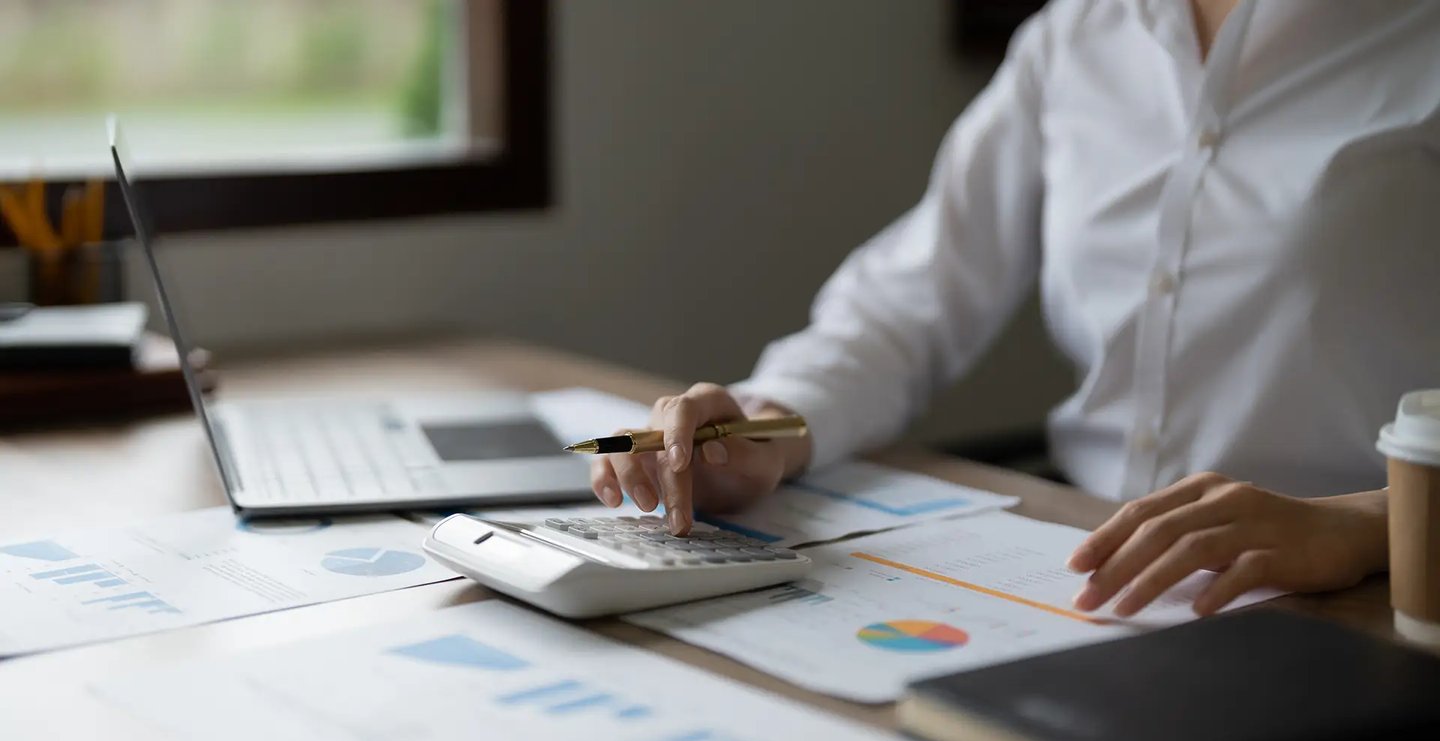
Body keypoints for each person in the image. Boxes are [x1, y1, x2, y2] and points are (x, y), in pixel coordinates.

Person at [590, 0, 1440, 617]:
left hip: (1372, 599)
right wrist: (763, 429)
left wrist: (1370, 524)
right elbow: (908, 301)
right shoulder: (1075, 37)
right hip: (1090, 574)